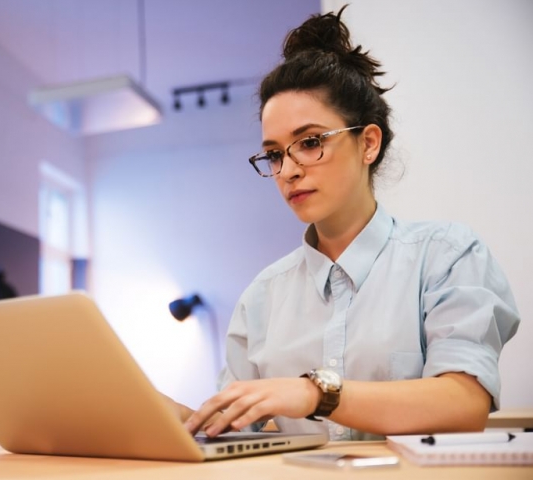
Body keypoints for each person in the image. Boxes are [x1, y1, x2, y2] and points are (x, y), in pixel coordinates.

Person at [170, 6, 520, 441]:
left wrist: (317, 394)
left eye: (310, 142)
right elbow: (230, 429)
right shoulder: (262, 296)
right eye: (275, 153)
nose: (288, 170)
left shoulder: (447, 255)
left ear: (368, 143)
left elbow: (464, 404)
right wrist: (153, 409)